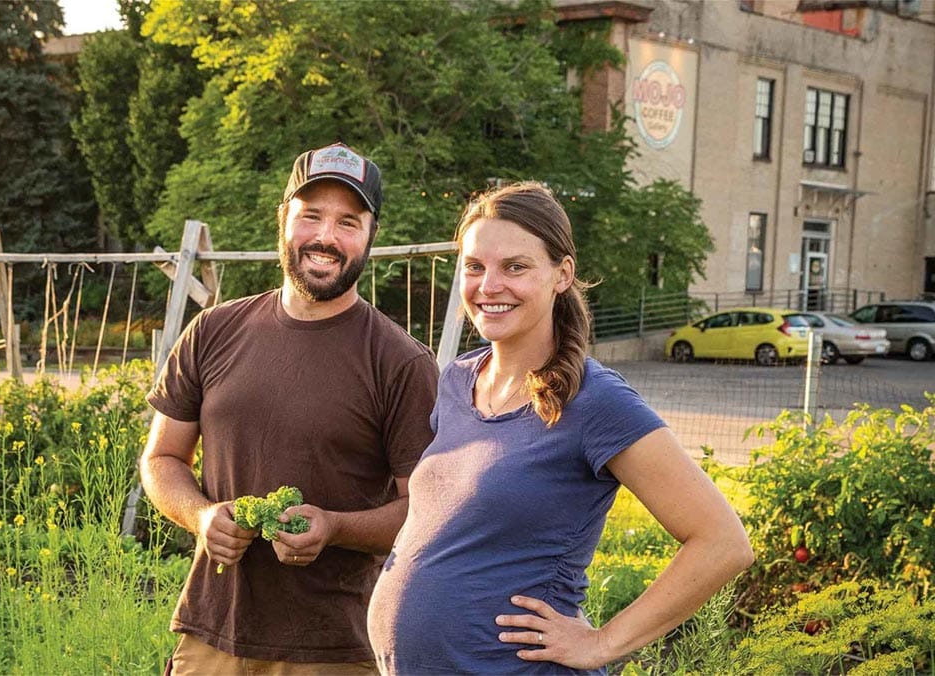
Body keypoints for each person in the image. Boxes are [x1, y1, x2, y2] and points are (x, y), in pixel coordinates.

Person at [367, 181, 754, 674]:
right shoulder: (459, 379)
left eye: (515, 267)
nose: (489, 286)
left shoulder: (594, 400)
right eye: (475, 266)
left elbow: (722, 542)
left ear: (561, 274)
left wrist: (604, 642)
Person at [141, 142, 440, 675]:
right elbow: (162, 458)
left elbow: (425, 512)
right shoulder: (213, 330)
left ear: (372, 236)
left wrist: (334, 527)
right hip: (212, 634)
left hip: (337, 649)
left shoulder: (400, 362)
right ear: (284, 220)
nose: (326, 236)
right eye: (311, 216)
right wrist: (202, 514)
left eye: (349, 221)